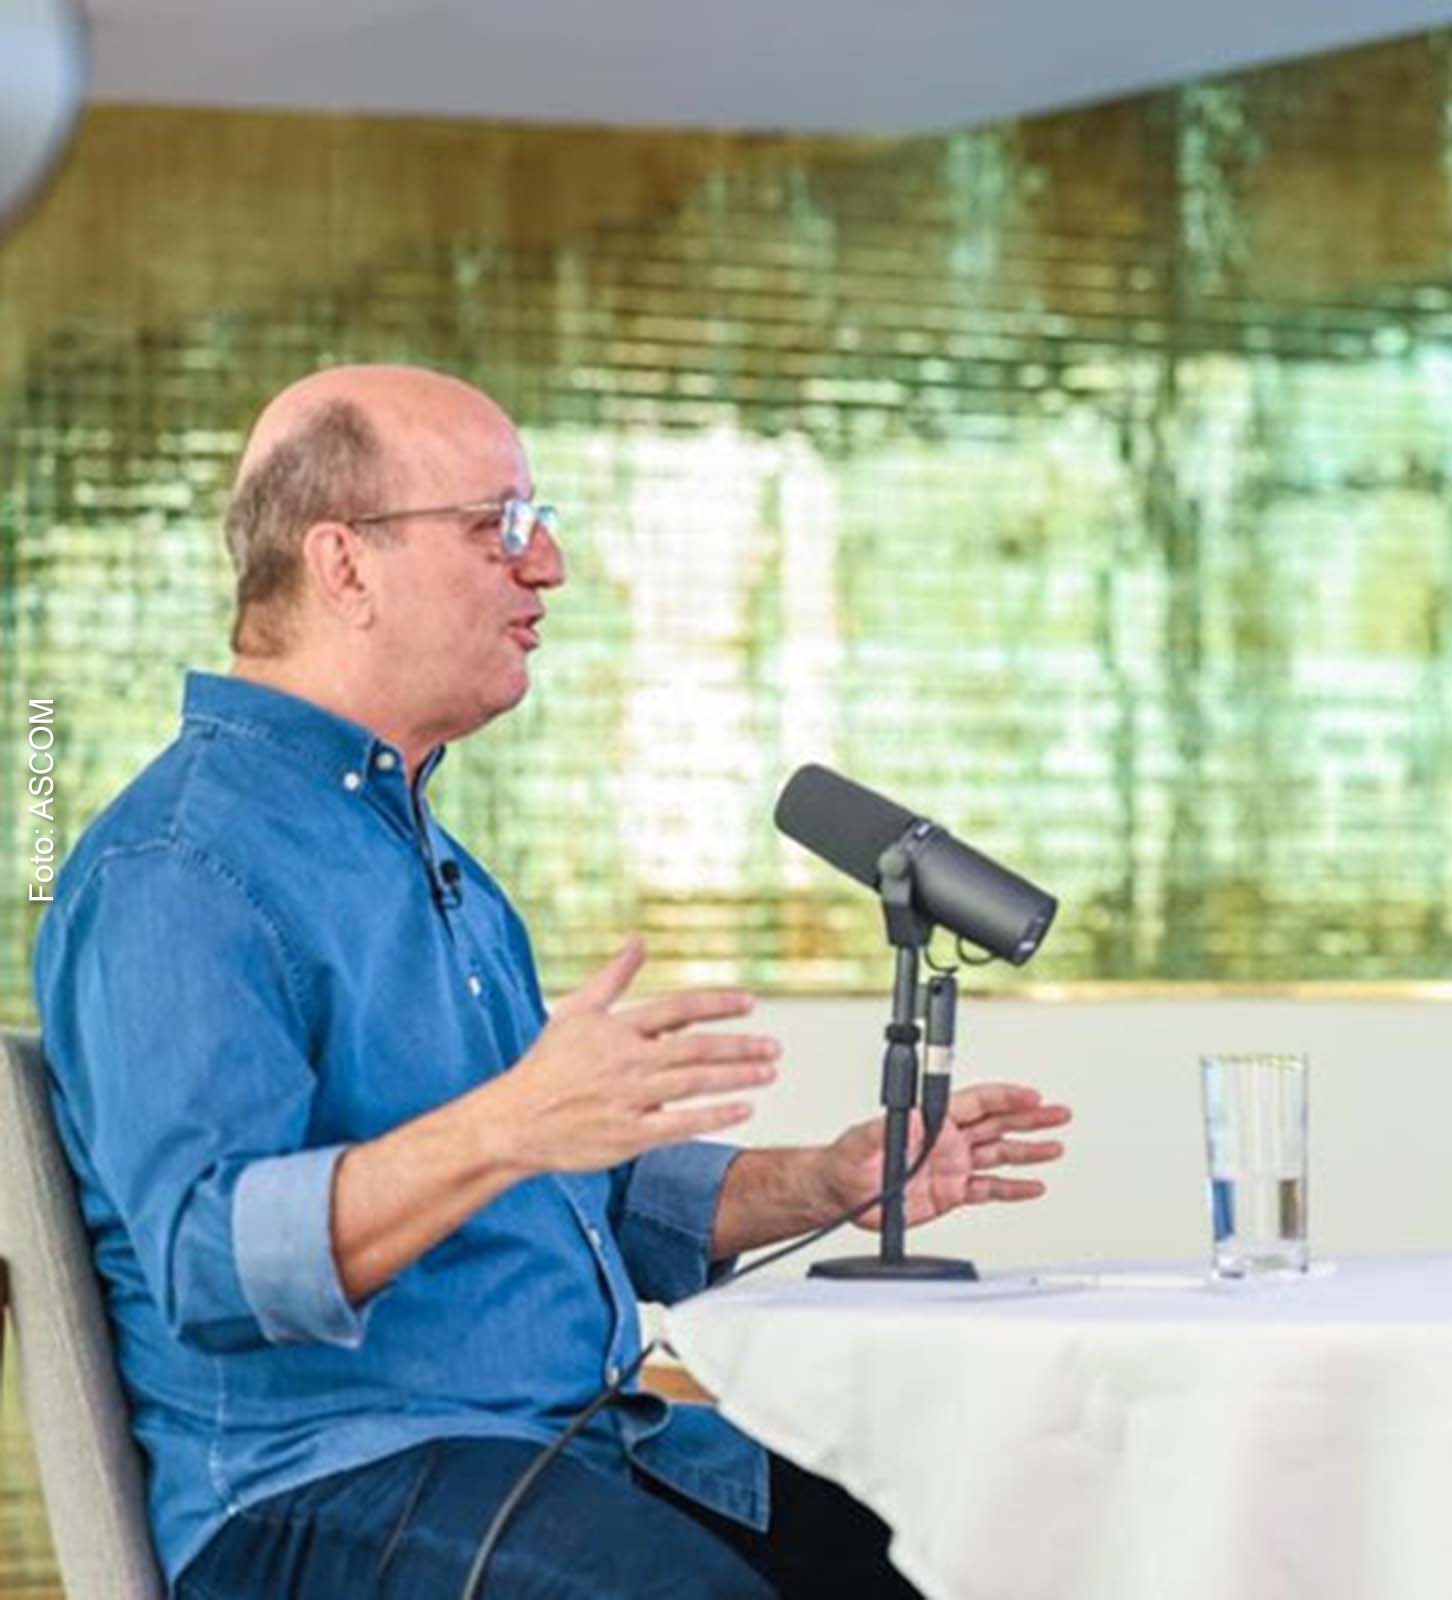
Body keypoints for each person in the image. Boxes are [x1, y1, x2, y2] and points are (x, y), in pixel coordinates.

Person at [33, 364, 1074, 1599]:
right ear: (343, 563)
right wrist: (511, 1123)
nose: (548, 570)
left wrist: (832, 1178)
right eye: (499, 527)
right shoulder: (179, 864)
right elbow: (211, 1260)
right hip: (317, 1500)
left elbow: (578, 1187)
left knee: (960, 1549)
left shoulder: (430, 857)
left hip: (565, 1446)